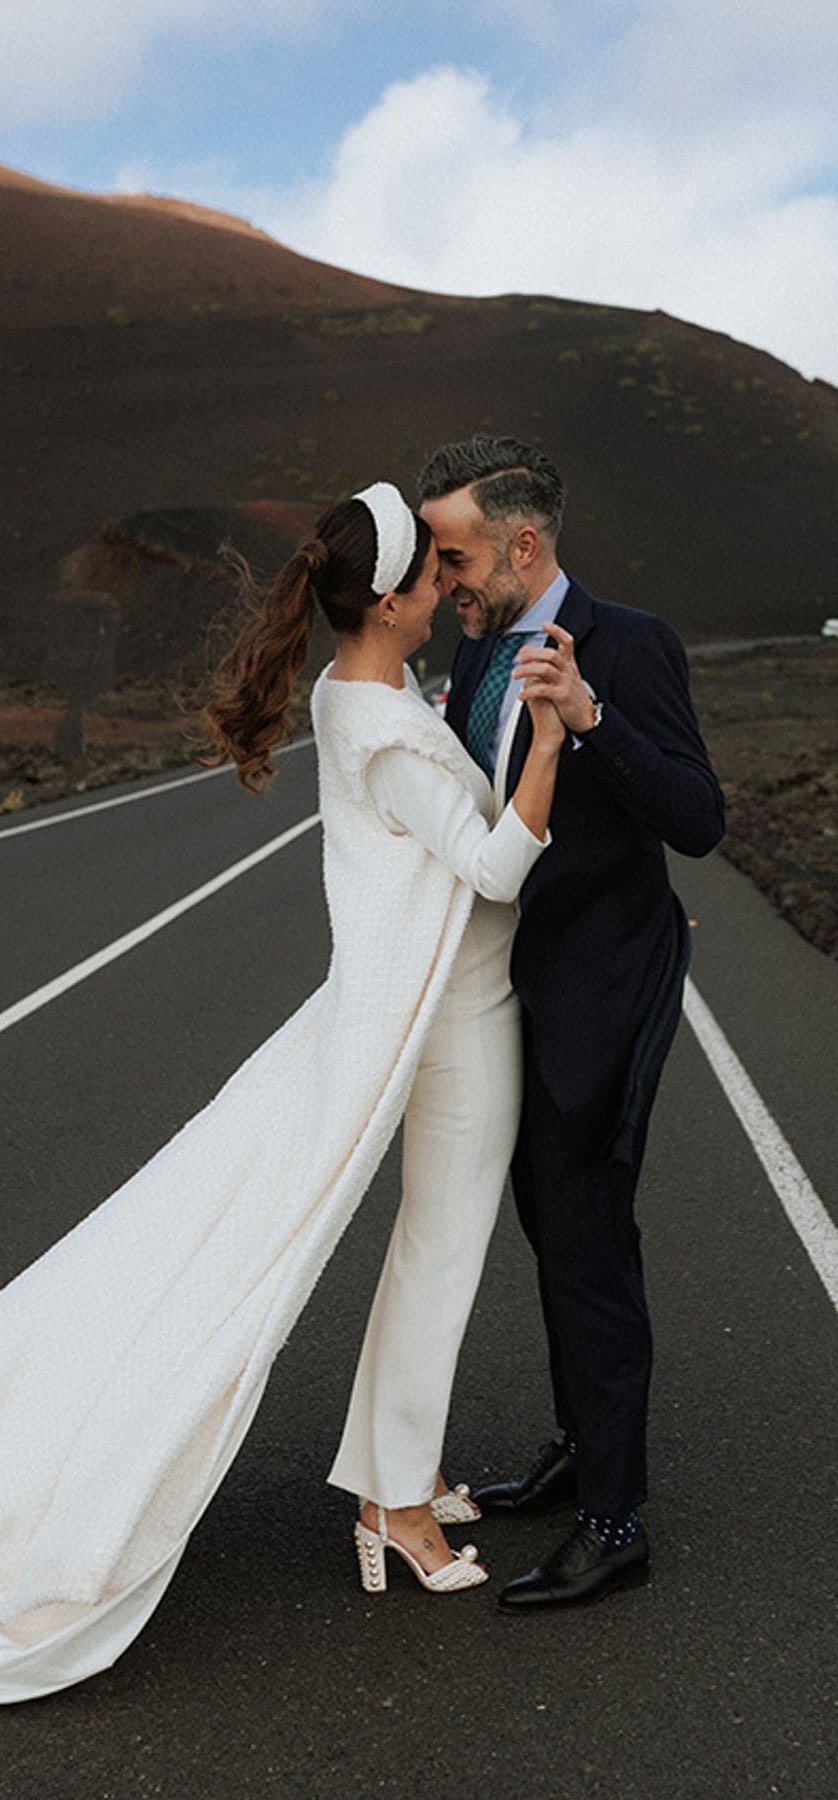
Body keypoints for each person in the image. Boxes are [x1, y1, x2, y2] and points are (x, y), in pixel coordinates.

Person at [0, 483, 562, 1762]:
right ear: (397, 600)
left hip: (389, 1010)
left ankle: (391, 1479)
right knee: (406, 1251)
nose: (449, 592)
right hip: (436, 1023)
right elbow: (498, 869)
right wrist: (553, 737)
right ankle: (395, 1503)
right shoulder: (390, 730)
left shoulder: (357, 691)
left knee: (346, 1245)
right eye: (436, 578)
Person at [416, 433, 725, 1608]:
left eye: (455, 557)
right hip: (509, 993)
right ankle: (584, 1443)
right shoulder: (478, 652)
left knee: (590, 1243)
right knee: (549, 1225)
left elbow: (698, 820)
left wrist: (593, 719)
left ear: (522, 544)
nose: (445, 580)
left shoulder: (631, 642)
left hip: (602, 991)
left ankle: (616, 1519)